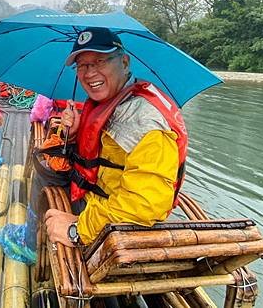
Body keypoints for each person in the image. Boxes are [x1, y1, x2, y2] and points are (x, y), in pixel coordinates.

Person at [27, 26, 188, 250]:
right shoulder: (114, 100)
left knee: (41, 178)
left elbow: (144, 206)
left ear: (124, 62)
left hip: (113, 219)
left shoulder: (147, 123)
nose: (89, 72)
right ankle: (31, 241)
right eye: (82, 65)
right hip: (93, 195)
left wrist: (77, 230)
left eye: (100, 61)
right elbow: (96, 158)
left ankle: (30, 247)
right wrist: (71, 135)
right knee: (46, 168)